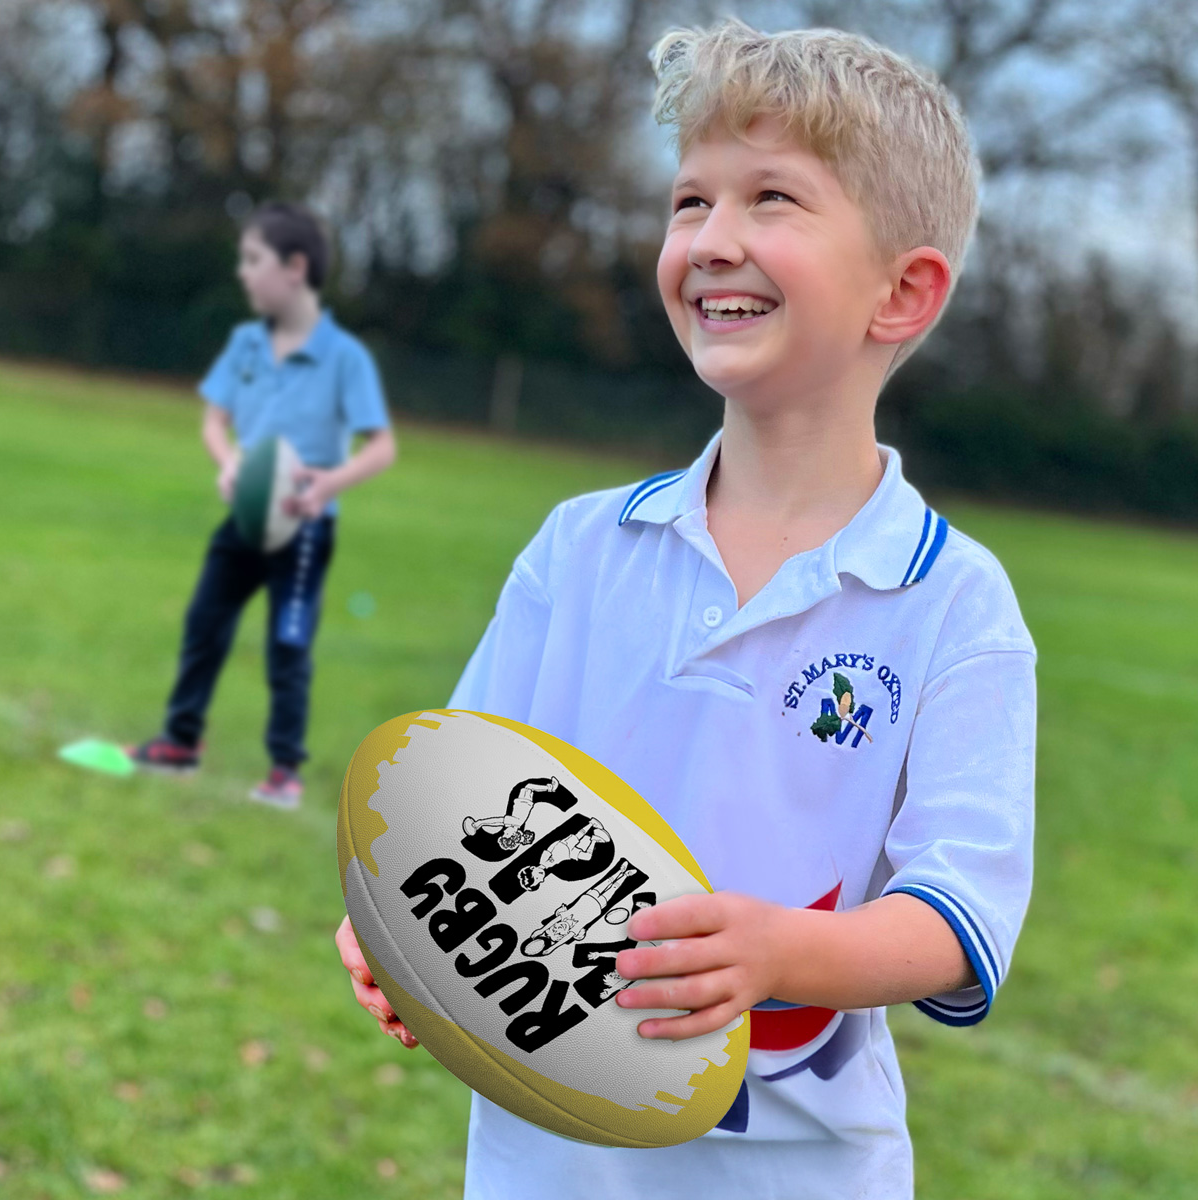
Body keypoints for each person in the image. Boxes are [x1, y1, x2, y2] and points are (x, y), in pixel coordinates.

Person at [335, 18, 1035, 1199]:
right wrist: (397, 933)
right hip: (540, 1163)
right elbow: (442, 805)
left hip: (801, 1176)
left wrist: (782, 952)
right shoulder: (580, 548)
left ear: (903, 293)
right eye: (687, 202)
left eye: (771, 199)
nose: (711, 241)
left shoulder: (952, 602)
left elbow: (958, 920)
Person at [130, 201, 396, 808]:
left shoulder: (344, 357)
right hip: (244, 519)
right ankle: (180, 742)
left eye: (253, 261)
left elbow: (381, 447)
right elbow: (213, 421)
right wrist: (231, 466)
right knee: (204, 624)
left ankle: (285, 770)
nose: (244, 274)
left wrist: (324, 486)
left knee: (287, 644)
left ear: (295, 267)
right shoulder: (245, 344)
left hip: (302, 533)